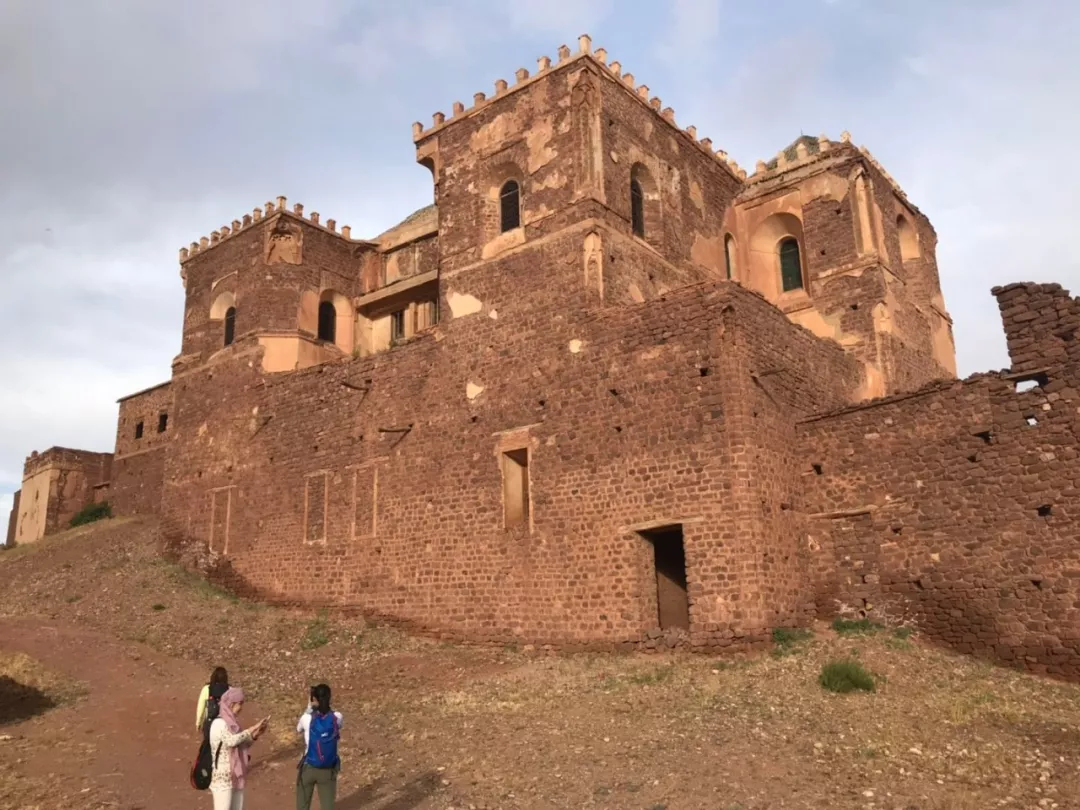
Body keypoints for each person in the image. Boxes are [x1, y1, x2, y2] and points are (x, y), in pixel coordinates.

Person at [209, 686, 268, 810]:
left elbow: (241, 744)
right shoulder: (219, 723)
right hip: (222, 778)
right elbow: (231, 741)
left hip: (235, 775)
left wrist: (255, 735)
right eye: (239, 704)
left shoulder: (233, 724)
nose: (241, 708)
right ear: (231, 704)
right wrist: (250, 729)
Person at [296, 683, 343, 810]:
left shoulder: (306, 718)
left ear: (314, 699)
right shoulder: (337, 717)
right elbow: (338, 725)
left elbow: (298, 729)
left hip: (308, 767)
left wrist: (309, 707)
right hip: (328, 770)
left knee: (302, 805)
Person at [196, 667, 230, 735]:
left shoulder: (207, 689)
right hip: (225, 722)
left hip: (210, 722)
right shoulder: (230, 689)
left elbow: (201, 707)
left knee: (208, 743)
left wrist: (198, 722)